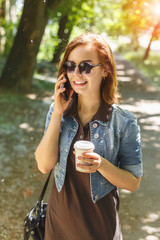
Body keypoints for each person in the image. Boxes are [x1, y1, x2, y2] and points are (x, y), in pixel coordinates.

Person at [35, 32, 143, 240]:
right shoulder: (58, 112)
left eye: (85, 66)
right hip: (58, 227)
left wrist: (100, 164)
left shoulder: (124, 122)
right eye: (70, 65)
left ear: (105, 70)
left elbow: (133, 182)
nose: (77, 73)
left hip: (99, 229)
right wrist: (58, 113)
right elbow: (43, 165)